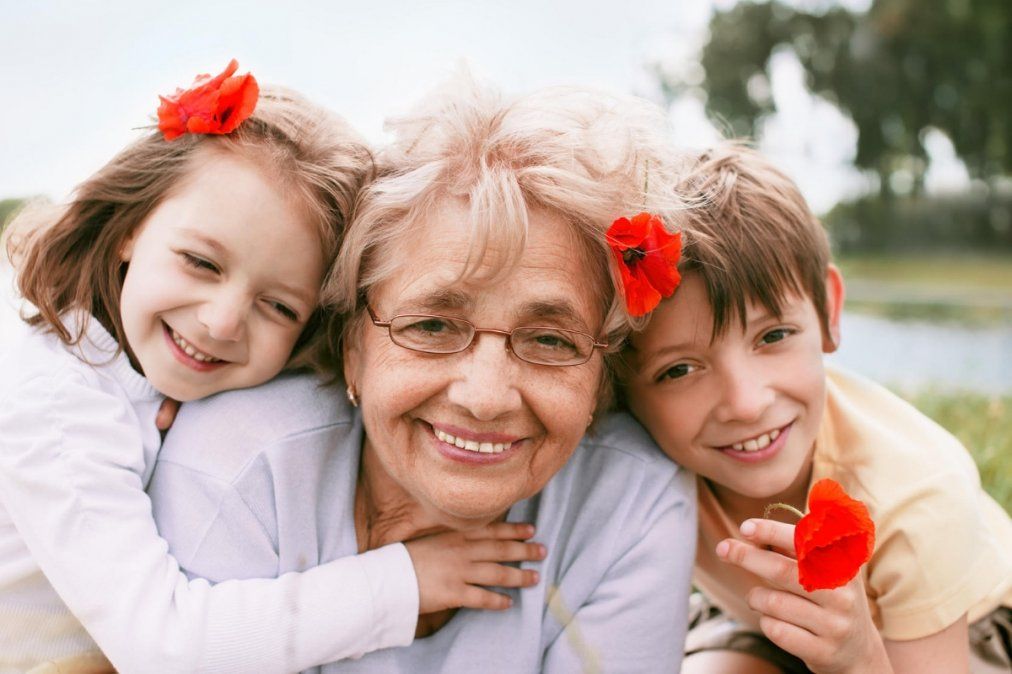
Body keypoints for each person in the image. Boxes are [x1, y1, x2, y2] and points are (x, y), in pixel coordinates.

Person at [0, 62, 542, 674]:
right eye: (201, 263)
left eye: (279, 306)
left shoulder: (140, 363)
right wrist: (405, 581)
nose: (224, 322)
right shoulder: (55, 401)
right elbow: (160, 645)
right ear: (129, 226)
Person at [147, 74, 699, 672]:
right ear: (352, 344)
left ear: (601, 372)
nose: (485, 399)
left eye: (549, 339)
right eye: (433, 326)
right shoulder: (241, 466)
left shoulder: (630, 502)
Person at [621, 143, 1012, 674]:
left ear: (828, 310)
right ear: (619, 386)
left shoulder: (917, 497)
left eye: (773, 335)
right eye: (680, 370)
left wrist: (857, 658)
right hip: (759, 617)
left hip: (960, 630)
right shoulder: (630, 458)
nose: (746, 403)